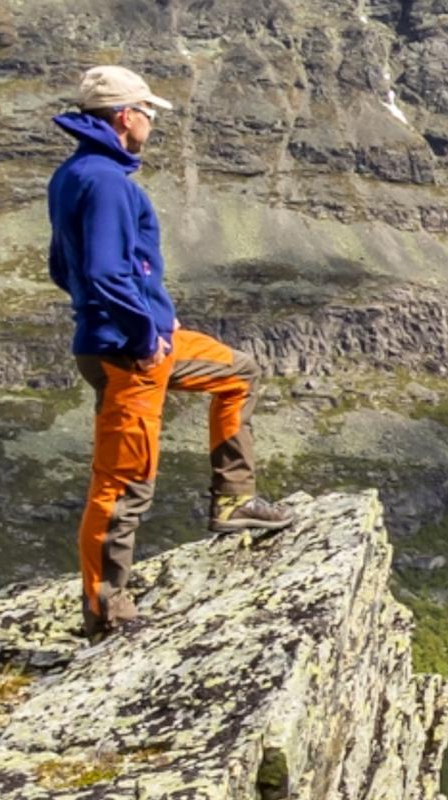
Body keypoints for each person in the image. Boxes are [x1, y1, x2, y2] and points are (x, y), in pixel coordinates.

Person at [46, 64, 291, 637]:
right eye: (149, 113)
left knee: (237, 372)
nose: (152, 123)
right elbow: (107, 272)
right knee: (124, 483)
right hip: (128, 354)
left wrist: (158, 313)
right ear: (126, 116)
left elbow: (64, 267)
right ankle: (106, 612)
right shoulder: (107, 182)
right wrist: (141, 330)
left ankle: (234, 501)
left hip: (130, 338)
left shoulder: (75, 173)